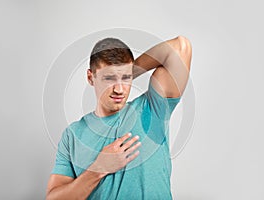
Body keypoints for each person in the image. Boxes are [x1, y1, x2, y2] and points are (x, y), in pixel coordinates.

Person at [46, 35, 192, 200]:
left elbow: (180, 47)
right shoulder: (72, 135)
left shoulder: (152, 109)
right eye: (109, 78)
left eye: (126, 79)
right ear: (90, 77)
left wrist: (127, 71)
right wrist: (99, 168)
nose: (119, 89)